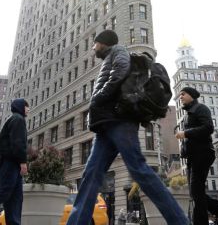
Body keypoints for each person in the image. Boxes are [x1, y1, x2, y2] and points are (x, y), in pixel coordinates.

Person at [65, 30, 189, 225]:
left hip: (119, 121)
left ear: (103, 43)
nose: (93, 48)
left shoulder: (118, 51)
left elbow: (121, 71)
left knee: (139, 170)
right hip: (106, 126)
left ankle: (180, 222)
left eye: (95, 44)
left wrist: (99, 97)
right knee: (90, 176)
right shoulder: (110, 57)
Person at [176, 86, 218, 224]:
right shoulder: (188, 114)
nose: (180, 97)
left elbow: (208, 128)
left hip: (202, 153)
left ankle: (212, 218)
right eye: (180, 95)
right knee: (196, 193)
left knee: (196, 193)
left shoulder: (201, 108)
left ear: (192, 95)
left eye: (183, 94)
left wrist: (186, 133)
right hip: (192, 156)